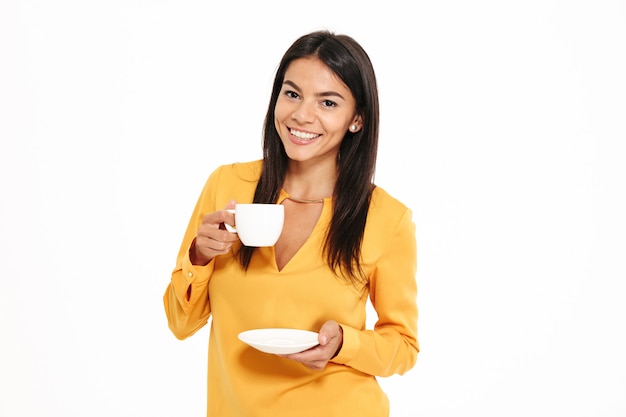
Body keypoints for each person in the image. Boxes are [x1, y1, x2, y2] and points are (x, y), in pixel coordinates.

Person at [163, 30, 418, 417]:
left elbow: (403, 346)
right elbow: (180, 324)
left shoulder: (386, 218)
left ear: (357, 119)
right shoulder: (229, 186)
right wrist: (199, 256)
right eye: (292, 93)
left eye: (328, 102)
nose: (301, 115)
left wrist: (344, 344)